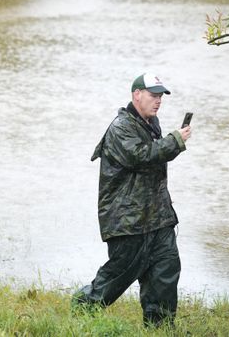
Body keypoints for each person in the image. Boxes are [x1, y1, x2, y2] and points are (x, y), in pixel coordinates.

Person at [72, 72, 192, 327]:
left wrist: (172, 142)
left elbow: (153, 158)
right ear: (136, 94)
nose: (158, 101)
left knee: (166, 271)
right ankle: (83, 308)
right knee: (119, 274)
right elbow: (141, 156)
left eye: (160, 96)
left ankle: (160, 327)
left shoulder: (150, 123)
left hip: (158, 217)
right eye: (153, 95)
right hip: (127, 220)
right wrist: (175, 141)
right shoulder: (121, 127)